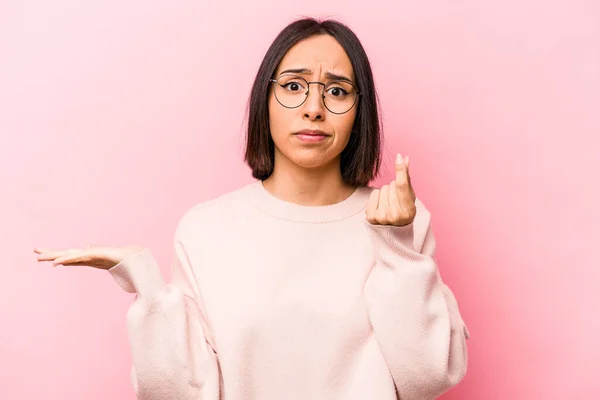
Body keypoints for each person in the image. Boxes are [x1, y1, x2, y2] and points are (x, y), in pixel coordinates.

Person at [34, 17, 470, 400]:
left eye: (337, 90)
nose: (314, 109)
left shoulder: (400, 222)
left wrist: (396, 246)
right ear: (264, 98)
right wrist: (147, 286)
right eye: (294, 86)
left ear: (361, 110)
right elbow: (181, 394)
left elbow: (427, 379)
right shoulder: (208, 229)